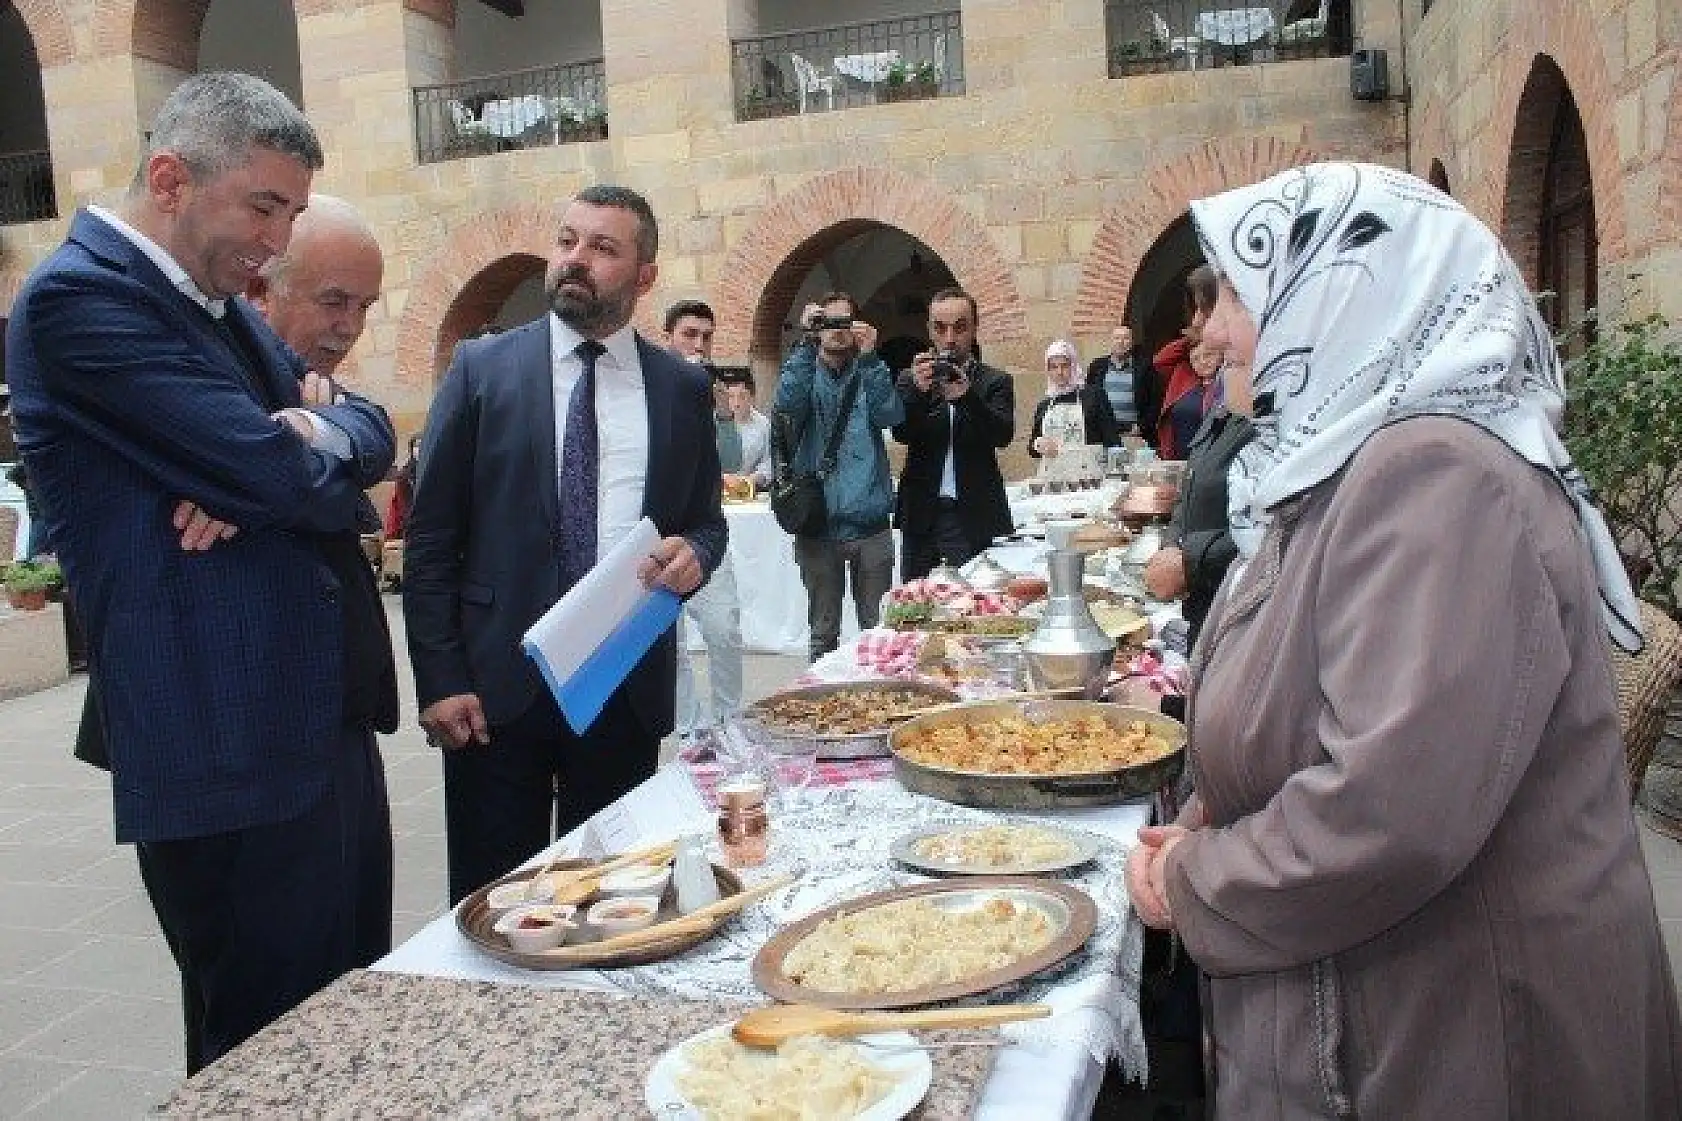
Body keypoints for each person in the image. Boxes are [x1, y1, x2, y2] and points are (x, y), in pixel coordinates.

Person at [1126, 162, 1682, 1119]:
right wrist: (1215, 812)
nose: (1210, 332)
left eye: (1237, 296)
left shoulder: (1439, 476)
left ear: (1343, 291)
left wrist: (1193, 879)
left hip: (1461, 1038)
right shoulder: (1348, 458)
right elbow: (1304, 708)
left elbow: (1388, 814)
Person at [5, 73, 398, 1074]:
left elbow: (368, 434)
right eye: (264, 206)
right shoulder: (80, 300)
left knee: (344, 1023)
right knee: (261, 1056)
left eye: (293, 213)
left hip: (311, 729)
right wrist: (280, 457)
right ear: (172, 178)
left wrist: (307, 431)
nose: (277, 242)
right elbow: (280, 472)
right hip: (225, 744)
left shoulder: (210, 306)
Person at [405, 185, 727, 905]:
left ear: (645, 276)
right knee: (497, 905)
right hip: (494, 692)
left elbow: (708, 521)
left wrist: (695, 557)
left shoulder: (678, 387)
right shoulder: (481, 369)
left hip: (621, 685)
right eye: (567, 240)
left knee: (614, 899)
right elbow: (430, 539)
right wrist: (439, 675)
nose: (575, 260)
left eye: (602, 248)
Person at [772, 293, 902, 660]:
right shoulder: (803, 371)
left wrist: (872, 359)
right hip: (819, 523)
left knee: (877, 635)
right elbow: (787, 405)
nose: (836, 331)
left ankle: (879, 704)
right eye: (827, 323)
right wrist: (802, 344)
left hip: (871, 523)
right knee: (823, 632)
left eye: (844, 322)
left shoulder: (869, 371)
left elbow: (890, 415)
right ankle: (823, 706)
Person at [661, 298, 744, 742]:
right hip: (656, 533)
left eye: (707, 337)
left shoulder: (711, 394)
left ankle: (731, 722)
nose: (699, 344)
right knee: (670, 644)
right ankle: (692, 732)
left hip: (705, 529)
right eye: (690, 334)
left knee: (724, 630)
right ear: (669, 337)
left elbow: (730, 461)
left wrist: (722, 412)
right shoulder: (651, 387)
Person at [892, 288, 1015, 580]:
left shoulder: (994, 380)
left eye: (959, 328)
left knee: (974, 606)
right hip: (922, 515)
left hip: (973, 515)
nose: (949, 338)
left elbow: (1002, 435)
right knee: (916, 603)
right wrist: (918, 394)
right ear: (929, 331)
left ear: (974, 329)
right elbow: (901, 433)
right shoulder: (911, 378)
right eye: (940, 328)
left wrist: (967, 398)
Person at [1142, 342, 1255, 649]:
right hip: (1205, 603)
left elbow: (1280, 528)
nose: (1212, 329)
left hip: (1242, 611)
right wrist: (1171, 548)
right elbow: (1192, 482)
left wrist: (1190, 560)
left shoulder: (1269, 416)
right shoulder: (1222, 402)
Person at [1152, 266, 1219, 461]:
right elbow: (1160, 360)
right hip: (1181, 460)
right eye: (1196, 358)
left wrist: (1210, 339)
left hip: (1212, 465)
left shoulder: (1230, 376)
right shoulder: (1185, 373)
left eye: (1207, 356)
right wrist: (1194, 337)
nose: (1201, 362)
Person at [1028, 338, 1119, 458]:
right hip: (1053, 473)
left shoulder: (1094, 396)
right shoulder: (1044, 405)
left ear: (1074, 366)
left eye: (1064, 366)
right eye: (1054, 367)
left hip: (1089, 472)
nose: (1059, 372)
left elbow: (1112, 440)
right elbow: (1032, 449)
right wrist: (1038, 444)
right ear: (1048, 371)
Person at [1085, 325, 1161, 447]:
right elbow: (1088, 398)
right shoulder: (1097, 367)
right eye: (1117, 338)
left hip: (1133, 434)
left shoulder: (1145, 368)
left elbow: (1155, 402)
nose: (1121, 342)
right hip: (1103, 434)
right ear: (1110, 341)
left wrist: (1141, 427)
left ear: (1132, 342)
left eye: (1126, 338)